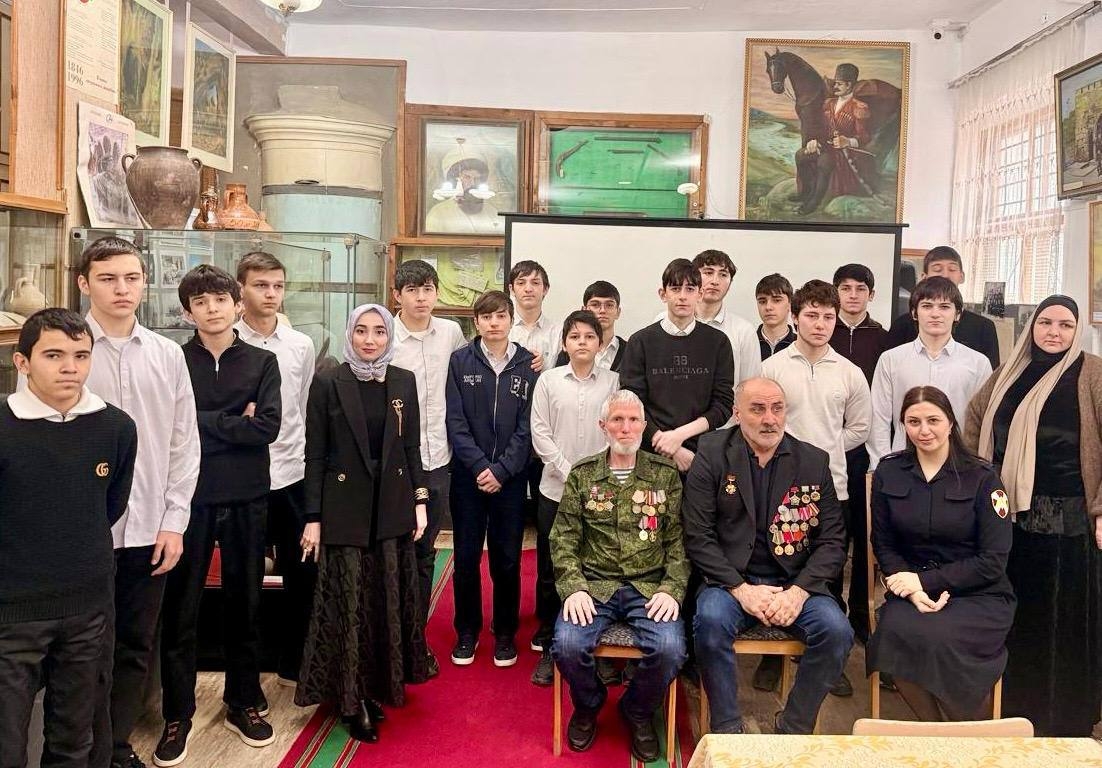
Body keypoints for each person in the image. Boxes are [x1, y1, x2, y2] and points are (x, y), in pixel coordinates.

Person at [74, 236, 200, 768]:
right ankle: (79, 750)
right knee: (82, 651)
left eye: (131, 277)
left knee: (134, 644)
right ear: (84, 284)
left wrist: (174, 521)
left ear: (145, 282)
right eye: (107, 279)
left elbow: (183, 443)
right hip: (82, 533)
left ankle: (117, 746)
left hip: (150, 526)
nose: (121, 289)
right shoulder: (71, 352)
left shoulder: (167, 355)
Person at [0, 309, 137, 768]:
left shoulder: (116, 427)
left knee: (75, 742)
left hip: (87, 607)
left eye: (81, 355)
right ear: (22, 362)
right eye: (54, 355)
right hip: (11, 611)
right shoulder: (3, 425)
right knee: (6, 746)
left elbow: (109, 505)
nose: (70, 367)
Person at [157, 265, 282, 764]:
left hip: (248, 494)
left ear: (237, 305)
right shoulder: (173, 359)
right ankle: (177, 712)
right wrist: (232, 420)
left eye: (220, 299)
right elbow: (168, 426)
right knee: (180, 607)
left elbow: (266, 427)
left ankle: (243, 701)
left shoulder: (262, 361)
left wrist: (200, 423)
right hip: (187, 497)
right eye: (200, 302)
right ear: (188, 312)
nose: (211, 309)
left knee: (245, 602)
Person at [964, 295, 1102, 737]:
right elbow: (974, 421)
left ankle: (1062, 721)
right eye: (1045, 322)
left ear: (1077, 330)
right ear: (1032, 326)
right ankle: (1013, 712)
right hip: (1009, 519)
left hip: (1069, 524)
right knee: (1017, 618)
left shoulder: (1092, 373)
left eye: (1065, 324)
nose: (1054, 332)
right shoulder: (1009, 371)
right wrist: (975, 483)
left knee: (1060, 623)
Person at [685, 378, 853, 734]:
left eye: (777, 409)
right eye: (758, 409)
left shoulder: (812, 461)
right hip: (731, 584)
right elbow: (698, 536)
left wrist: (799, 592)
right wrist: (741, 589)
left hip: (794, 584)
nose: (769, 419)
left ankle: (793, 728)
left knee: (837, 631)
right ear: (737, 413)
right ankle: (727, 729)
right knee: (710, 622)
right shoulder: (712, 453)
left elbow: (833, 540)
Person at [295, 304, 430, 744]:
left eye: (378, 332)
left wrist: (420, 502)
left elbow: (412, 448)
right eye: (361, 331)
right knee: (351, 604)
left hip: (390, 505)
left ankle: (378, 687)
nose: (370, 340)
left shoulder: (403, 380)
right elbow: (315, 454)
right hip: (345, 508)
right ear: (349, 333)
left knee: (383, 600)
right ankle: (351, 701)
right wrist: (313, 517)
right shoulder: (328, 382)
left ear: (389, 335)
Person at [550, 389, 688, 761]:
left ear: (643, 425)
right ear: (603, 426)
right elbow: (563, 537)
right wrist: (573, 587)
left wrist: (672, 588)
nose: (625, 428)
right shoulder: (583, 475)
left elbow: (678, 541)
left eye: (633, 420)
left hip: (650, 586)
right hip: (595, 585)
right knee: (566, 644)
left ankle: (636, 710)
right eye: (617, 420)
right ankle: (589, 704)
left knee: (671, 649)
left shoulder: (664, 475)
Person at [868, 386, 1014, 721]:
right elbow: (884, 544)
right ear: (904, 425)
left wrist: (923, 582)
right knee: (894, 632)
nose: (924, 430)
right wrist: (911, 589)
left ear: (950, 422)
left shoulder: (983, 478)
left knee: (940, 637)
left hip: (978, 595)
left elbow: (993, 560)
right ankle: (935, 732)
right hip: (912, 594)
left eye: (933, 420)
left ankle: (970, 735)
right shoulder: (889, 472)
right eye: (913, 421)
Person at [761, 280, 869, 696]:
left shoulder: (849, 372)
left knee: (828, 575)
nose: (820, 324)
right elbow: (761, 421)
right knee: (776, 568)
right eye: (811, 315)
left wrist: (823, 453)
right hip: (777, 485)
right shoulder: (774, 368)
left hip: (831, 487)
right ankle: (771, 655)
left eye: (828, 316)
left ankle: (825, 658)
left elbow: (859, 428)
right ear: (795, 317)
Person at [234, 252, 317, 687]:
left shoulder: (299, 344)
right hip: (243, 475)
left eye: (277, 286)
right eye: (261, 285)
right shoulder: (228, 341)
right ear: (241, 289)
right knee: (245, 576)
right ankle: (246, 674)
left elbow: (301, 406)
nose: (270, 294)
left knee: (302, 573)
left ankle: (295, 662)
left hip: (292, 473)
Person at [446, 290, 538, 668]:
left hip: (510, 480)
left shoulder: (528, 365)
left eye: (500, 316)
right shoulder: (460, 361)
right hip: (468, 478)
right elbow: (455, 421)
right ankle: (467, 631)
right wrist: (480, 466)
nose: (494, 323)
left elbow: (529, 426)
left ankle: (504, 633)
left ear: (511, 320)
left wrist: (501, 470)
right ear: (476, 322)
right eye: (486, 317)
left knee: (507, 560)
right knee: (466, 558)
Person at [530, 310, 620, 685]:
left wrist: (594, 477)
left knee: (598, 568)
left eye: (589, 336)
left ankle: (597, 646)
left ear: (600, 343)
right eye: (574, 336)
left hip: (602, 492)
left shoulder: (614, 382)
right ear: (564, 343)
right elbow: (539, 432)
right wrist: (571, 472)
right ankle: (550, 645)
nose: (582, 342)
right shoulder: (549, 381)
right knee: (552, 570)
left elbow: (619, 430)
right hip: (555, 489)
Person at [390, 259, 467, 677]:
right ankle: (389, 636)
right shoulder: (384, 335)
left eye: (428, 289)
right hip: (394, 465)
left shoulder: (451, 333)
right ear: (397, 295)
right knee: (392, 551)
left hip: (438, 459)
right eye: (412, 290)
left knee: (425, 553)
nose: (421, 298)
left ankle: (414, 639)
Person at [620, 258, 734, 473]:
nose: (682, 296)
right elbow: (632, 403)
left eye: (690, 289)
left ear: (700, 294)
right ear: (663, 294)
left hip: (701, 456)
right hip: (651, 454)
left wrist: (678, 436)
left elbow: (723, 405)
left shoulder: (718, 342)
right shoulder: (640, 341)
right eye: (675, 288)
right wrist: (667, 445)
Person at [868, 277, 991, 470]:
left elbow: (983, 423)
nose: (935, 314)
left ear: (958, 314)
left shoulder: (978, 363)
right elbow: (878, 419)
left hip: (959, 466)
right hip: (903, 465)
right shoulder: (891, 359)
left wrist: (975, 467)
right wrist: (882, 467)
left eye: (944, 307)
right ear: (914, 313)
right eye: (927, 306)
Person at [829, 263, 888, 641]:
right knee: (832, 535)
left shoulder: (883, 338)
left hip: (865, 452)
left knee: (865, 533)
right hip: (825, 451)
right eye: (845, 288)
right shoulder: (822, 331)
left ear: (871, 294)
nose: (853, 295)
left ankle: (862, 618)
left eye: (860, 289)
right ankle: (831, 610)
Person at [885, 246, 1000, 369]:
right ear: (924, 276)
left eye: (952, 269)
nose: (945, 275)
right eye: (937, 269)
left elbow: (991, 376)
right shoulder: (902, 325)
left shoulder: (983, 327)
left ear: (962, 276)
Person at [794, 63, 876, 215]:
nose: (835, 87)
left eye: (839, 84)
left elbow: (865, 137)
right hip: (825, 145)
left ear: (849, 85)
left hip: (845, 151)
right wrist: (814, 140)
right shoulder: (828, 104)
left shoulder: (859, 107)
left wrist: (848, 141)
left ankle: (814, 202)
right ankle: (805, 192)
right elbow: (820, 128)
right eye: (835, 83)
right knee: (800, 155)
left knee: (824, 161)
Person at [688, 250, 762, 384]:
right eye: (708, 273)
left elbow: (750, 387)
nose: (715, 281)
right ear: (693, 277)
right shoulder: (667, 321)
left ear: (730, 282)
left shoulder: (744, 331)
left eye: (723, 274)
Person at [424, 143, 503, 236]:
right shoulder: (438, 214)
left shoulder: (492, 212)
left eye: (477, 178)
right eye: (467, 177)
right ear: (455, 179)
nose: (473, 183)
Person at [554, 280, 627, 372]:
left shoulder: (630, 351)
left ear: (618, 312)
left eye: (609, 305)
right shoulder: (570, 351)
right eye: (595, 305)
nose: (602, 310)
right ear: (584, 310)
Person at [754, 273, 797, 360]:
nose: (768, 307)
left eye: (777, 300)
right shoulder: (746, 343)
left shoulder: (800, 346)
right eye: (762, 301)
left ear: (790, 304)